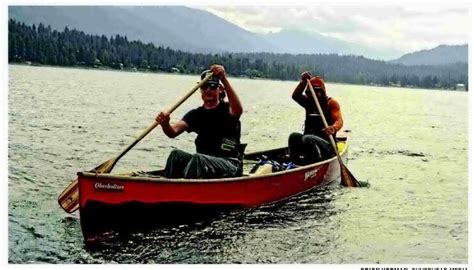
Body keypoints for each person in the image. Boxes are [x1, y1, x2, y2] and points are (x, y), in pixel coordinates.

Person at [155, 64, 244, 179]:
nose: (208, 90)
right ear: (200, 89)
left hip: (230, 164)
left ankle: (185, 190)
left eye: (212, 87)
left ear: (220, 89)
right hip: (203, 162)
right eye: (205, 86)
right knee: (175, 155)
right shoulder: (195, 114)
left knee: (198, 159)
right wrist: (165, 123)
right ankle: (167, 188)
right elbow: (172, 132)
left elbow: (238, 109)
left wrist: (224, 79)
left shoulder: (228, 109)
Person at [288, 71, 343, 165]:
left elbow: (339, 120)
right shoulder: (308, 102)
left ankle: (315, 164)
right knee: (293, 137)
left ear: (323, 91)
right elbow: (295, 96)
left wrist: (333, 128)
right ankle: (294, 163)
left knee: (308, 138)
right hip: (309, 142)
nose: (316, 94)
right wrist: (303, 82)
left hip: (327, 145)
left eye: (318, 91)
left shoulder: (330, 103)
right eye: (313, 91)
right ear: (309, 92)